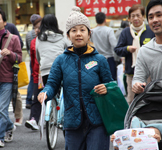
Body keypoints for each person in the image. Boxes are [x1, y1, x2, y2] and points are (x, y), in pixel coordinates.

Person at [38, 6, 113, 150]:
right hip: (72, 122)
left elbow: (110, 85)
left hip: (98, 121)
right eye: (74, 30)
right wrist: (45, 92)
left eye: (82, 30)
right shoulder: (60, 60)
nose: (78, 34)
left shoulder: (100, 59)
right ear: (68, 35)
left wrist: (107, 88)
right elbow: (52, 84)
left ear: (89, 33)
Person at [0, 10, 22, 148]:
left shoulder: (13, 38)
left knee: (2, 110)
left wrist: (11, 54)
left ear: (4, 22)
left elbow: (19, 57)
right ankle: (10, 126)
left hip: (7, 78)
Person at [132, 0, 162, 94]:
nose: (154, 20)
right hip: (158, 104)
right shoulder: (145, 51)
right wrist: (137, 85)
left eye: (159, 15)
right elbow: (138, 78)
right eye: (151, 17)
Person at [114, 4, 155, 105]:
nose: (136, 18)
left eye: (138, 15)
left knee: (150, 100)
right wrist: (128, 48)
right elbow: (117, 49)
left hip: (149, 73)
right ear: (129, 18)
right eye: (133, 16)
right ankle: (132, 120)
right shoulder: (125, 32)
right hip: (131, 73)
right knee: (132, 101)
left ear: (143, 17)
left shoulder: (150, 30)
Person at [36, 14, 70, 86]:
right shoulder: (62, 38)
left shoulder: (39, 39)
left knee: (49, 93)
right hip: (60, 69)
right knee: (61, 93)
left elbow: (38, 56)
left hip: (45, 70)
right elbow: (70, 50)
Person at [25, 17, 42, 130]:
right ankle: (33, 119)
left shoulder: (52, 40)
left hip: (48, 72)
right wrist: (35, 74)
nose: (36, 30)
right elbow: (32, 57)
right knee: (37, 97)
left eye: (39, 28)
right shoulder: (33, 40)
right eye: (35, 28)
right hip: (38, 73)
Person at [90, 12, 117, 80]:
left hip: (97, 58)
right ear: (105, 20)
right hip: (109, 59)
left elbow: (91, 40)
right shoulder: (109, 30)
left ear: (96, 21)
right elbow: (114, 45)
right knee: (110, 80)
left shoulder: (92, 31)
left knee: (99, 80)